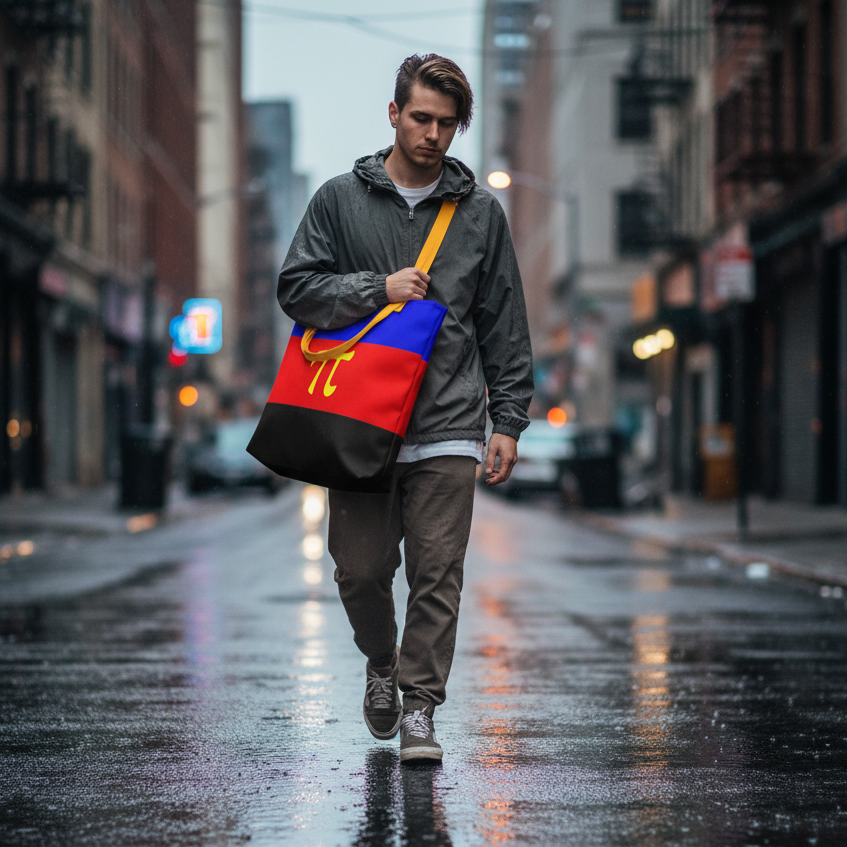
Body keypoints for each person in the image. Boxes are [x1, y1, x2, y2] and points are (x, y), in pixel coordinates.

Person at [278, 54, 533, 763]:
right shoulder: (337, 200)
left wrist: (507, 418)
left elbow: (502, 322)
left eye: (446, 124)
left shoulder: (479, 213)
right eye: (420, 118)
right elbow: (296, 288)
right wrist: (376, 289)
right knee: (358, 570)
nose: (432, 134)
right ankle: (382, 664)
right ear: (393, 115)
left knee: (436, 572)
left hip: (448, 423)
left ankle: (419, 706)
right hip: (360, 421)